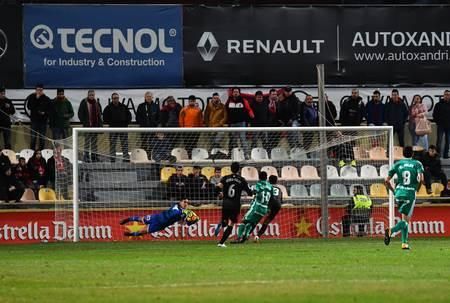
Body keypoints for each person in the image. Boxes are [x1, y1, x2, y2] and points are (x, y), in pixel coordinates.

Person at [384, 146, 424, 250]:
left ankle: (404, 243)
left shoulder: (397, 164)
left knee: (404, 218)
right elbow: (421, 180)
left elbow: (386, 181)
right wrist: (417, 189)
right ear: (413, 154)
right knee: (406, 221)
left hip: (398, 193)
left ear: (402, 153)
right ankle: (391, 231)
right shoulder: (417, 164)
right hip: (409, 194)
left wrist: (394, 191)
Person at [215, 162, 253, 247]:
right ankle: (221, 243)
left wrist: (219, 194)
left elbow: (217, 187)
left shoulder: (225, 178)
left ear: (230, 169)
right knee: (231, 223)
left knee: (225, 221)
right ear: (239, 169)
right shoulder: (242, 180)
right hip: (235, 205)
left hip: (225, 203)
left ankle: (221, 224)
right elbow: (249, 192)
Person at [119, 198, 199, 237]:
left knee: (143, 231)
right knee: (141, 219)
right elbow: (174, 213)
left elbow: (181, 222)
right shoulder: (176, 207)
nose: (185, 203)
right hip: (157, 217)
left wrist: (187, 221)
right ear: (180, 201)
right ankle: (127, 219)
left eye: (187, 203)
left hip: (160, 224)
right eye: (184, 201)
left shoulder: (184, 213)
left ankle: (130, 234)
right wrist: (183, 214)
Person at [234, 171, 273, 244]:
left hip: (257, 207)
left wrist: (251, 189)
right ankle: (246, 236)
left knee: (244, 221)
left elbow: (254, 191)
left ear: (259, 177)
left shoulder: (258, 184)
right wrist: (269, 208)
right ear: (266, 177)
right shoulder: (270, 186)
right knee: (252, 223)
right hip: (264, 208)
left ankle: (239, 237)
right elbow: (272, 198)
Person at [103, 92, 132, 162]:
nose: (116, 99)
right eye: (114, 98)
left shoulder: (124, 107)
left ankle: (126, 158)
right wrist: (112, 123)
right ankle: (112, 159)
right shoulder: (108, 108)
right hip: (113, 128)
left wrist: (125, 123)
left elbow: (129, 116)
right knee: (112, 144)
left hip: (123, 128)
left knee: (125, 144)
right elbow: (105, 118)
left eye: (117, 98)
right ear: (112, 99)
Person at [225, 88, 254, 157]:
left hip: (241, 123)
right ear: (232, 93)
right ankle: (234, 155)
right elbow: (225, 111)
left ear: (239, 93)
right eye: (234, 92)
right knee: (233, 140)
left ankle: (246, 154)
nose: (235, 93)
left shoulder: (244, 101)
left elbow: (249, 110)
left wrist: (251, 117)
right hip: (232, 124)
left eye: (237, 92)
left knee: (243, 139)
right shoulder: (229, 101)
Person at [253, 175, 282, 242]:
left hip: (268, 204)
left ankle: (248, 233)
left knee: (257, 217)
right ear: (276, 181)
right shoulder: (279, 189)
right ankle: (257, 236)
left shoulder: (268, 187)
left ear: (268, 180)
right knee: (267, 221)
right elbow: (280, 199)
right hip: (277, 205)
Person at [78, 90, 103, 162]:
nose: (92, 96)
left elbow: (99, 115)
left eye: (93, 95)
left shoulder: (97, 103)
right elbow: (80, 113)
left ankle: (94, 157)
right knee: (87, 142)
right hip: (87, 126)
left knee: (94, 143)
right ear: (88, 95)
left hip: (95, 127)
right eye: (90, 95)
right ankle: (86, 157)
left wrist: (100, 126)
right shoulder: (84, 102)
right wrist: (84, 122)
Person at [26, 84, 51, 151]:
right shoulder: (32, 97)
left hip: (43, 122)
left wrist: (44, 113)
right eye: (38, 90)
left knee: (42, 139)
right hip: (34, 121)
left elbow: (50, 110)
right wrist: (36, 99)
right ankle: (32, 152)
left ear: (43, 90)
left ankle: (41, 153)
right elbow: (29, 107)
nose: (39, 92)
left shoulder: (46, 99)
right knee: (33, 138)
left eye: (40, 90)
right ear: (35, 90)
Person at [136, 91, 160, 156]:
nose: (149, 98)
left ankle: (152, 156)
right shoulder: (141, 106)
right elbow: (138, 117)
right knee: (144, 143)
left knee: (153, 143)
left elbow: (159, 117)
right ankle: (144, 156)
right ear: (145, 97)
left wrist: (155, 123)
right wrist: (143, 124)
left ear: (152, 97)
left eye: (150, 96)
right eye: (147, 96)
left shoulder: (156, 106)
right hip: (144, 129)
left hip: (153, 129)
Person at [433, 90, 450, 158]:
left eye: (448, 94)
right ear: (443, 95)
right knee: (439, 141)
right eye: (446, 94)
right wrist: (438, 122)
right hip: (441, 125)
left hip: (449, 126)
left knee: (448, 141)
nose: (447, 96)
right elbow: (435, 115)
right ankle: (438, 155)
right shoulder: (438, 104)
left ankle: (445, 155)